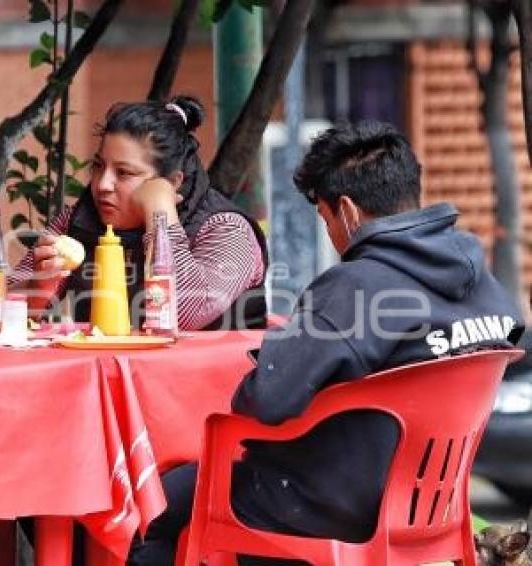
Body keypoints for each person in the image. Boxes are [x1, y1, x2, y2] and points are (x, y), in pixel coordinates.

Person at [128, 121, 524, 565]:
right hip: (431, 502)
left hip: (326, 507)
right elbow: (506, 335)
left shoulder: (356, 285)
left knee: (149, 509)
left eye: (325, 217)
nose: (333, 236)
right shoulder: (476, 276)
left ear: (348, 212)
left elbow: (263, 400)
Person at [9, 95, 268, 330]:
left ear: (172, 182)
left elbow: (185, 316)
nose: (102, 184)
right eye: (99, 166)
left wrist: (160, 214)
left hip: (216, 378)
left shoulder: (226, 228)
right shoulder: (79, 220)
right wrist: (37, 290)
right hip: (110, 377)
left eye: (124, 173)